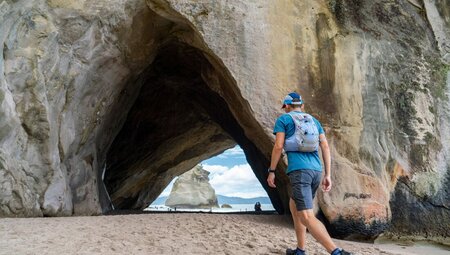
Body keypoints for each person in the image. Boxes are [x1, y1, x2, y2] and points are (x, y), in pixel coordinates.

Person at [267, 92, 352, 255]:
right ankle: (300, 250)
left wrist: (271, 171)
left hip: (299, 172)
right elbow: (325, 147)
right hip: (315, 171)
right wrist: (328, 174)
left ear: (286, 106)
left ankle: (336, 252)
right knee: (295, 205)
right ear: (302, 106)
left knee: (306, 216)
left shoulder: (283, 120)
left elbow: (278, 146)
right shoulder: (314, 121)